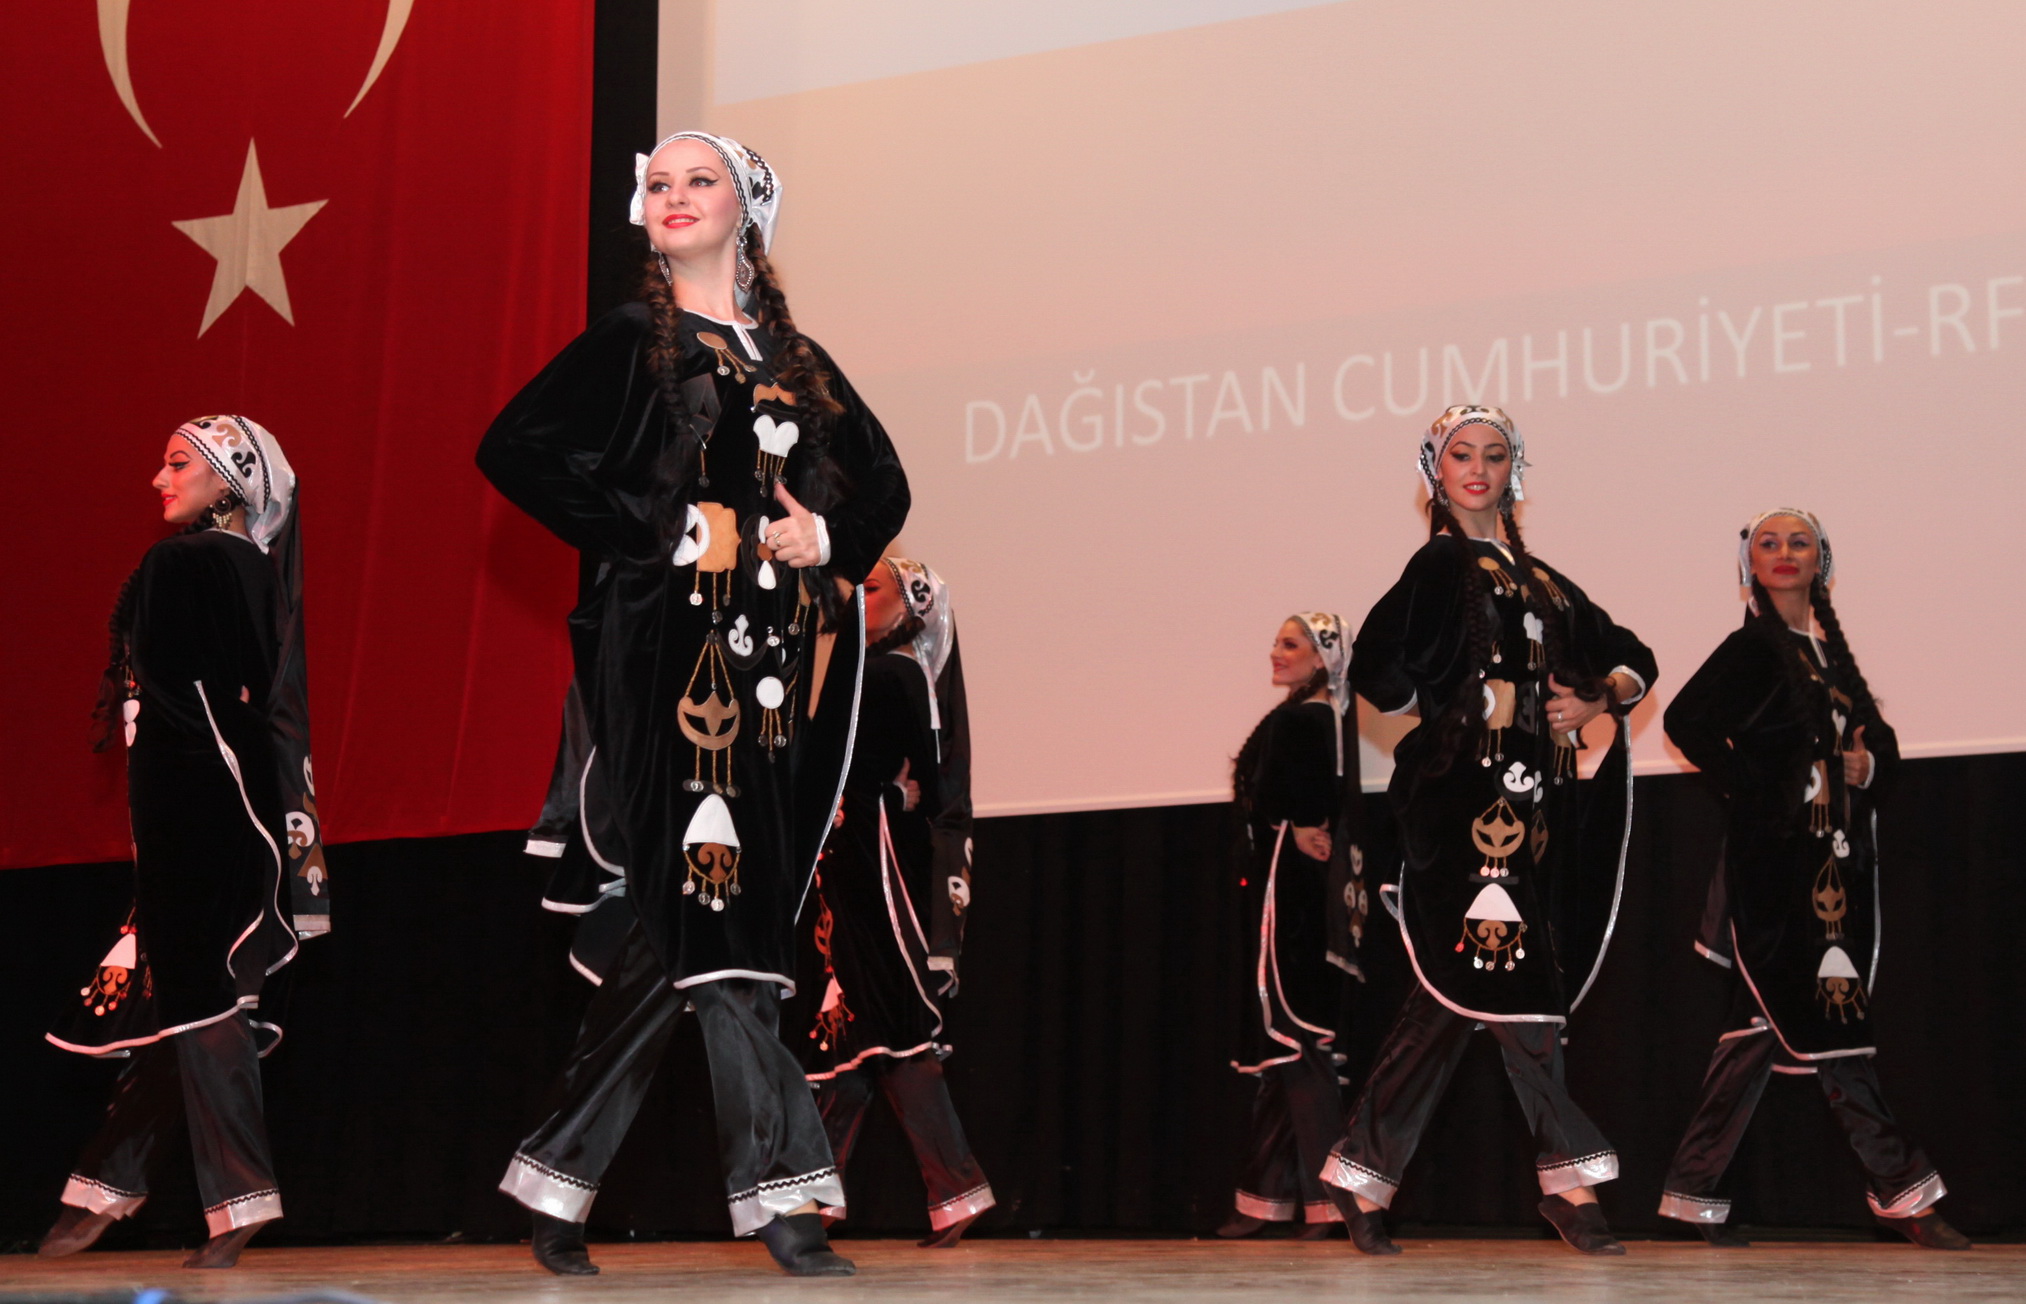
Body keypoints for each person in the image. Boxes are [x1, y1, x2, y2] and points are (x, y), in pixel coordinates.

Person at [477, 131, 908, 1278]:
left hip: (774, 678)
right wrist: (653, 525)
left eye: (697, 180)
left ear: (745, 209)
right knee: (727, 930)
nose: (672, 196)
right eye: (658, 183)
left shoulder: (799, 360)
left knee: (681, 933)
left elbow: (885, 481)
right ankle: (785, 1196)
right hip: (669, 664)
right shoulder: (635, 340)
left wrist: (826, 537)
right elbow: (514, 448)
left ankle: (557, 1176)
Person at [1326, 406, 1655, 1256]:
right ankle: (1572, 1189)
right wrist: (1453, 710)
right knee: (1523, 998)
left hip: (1527, 822)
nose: (1478, 468)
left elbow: (1634, 657)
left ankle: (1360, 1175)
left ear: (1516, 470)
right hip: (1456, 814)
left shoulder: (1544, 582)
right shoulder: (1439, 563)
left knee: (1454, 1001)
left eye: (1495, 455)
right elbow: (1378, 671)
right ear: (1434, 470)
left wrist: (1597, 697)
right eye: (1462, 455)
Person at [41, 416, 327, 1269]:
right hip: (241, 804)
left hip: (196, 808)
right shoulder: (253, 567)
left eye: (176, 465)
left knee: (199, 995)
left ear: (229, 481)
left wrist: (169, 834)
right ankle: (102, 1188)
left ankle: (240, 1198)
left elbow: (178, 708)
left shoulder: (181, 563)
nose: (158, 480)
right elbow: (256, 704)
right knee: (190, 1000)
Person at [1655, 509, 1968, 1250]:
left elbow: (1881, 752)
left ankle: (1692, 1192)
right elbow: (1686, 720)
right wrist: (1759, 789)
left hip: (1832, 870)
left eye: (1799, 542)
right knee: (1834, 1029)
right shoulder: (1751, 648)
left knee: (1757, 1030)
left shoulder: (1829, 658)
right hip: (1774, 871)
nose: (1784, 553)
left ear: (1821, 560)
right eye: (1769, 543)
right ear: (1750, 564)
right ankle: (1902, 1190)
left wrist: (1865, 766)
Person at [802, 558, 994, 1247]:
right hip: (854, 879)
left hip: (875, 881)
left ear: (910, 609)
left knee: (892, 1031)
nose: (859, 594)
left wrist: (879, 796)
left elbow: (878, 780)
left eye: (875, 587)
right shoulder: (885, 672)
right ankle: (815, 1200)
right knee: (852, 1043)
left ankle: (955, 1186)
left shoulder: (889, 674)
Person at [1218, 613, 1367, 1240]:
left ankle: (1334, 1201)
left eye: (1291, 644)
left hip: (1290, 895)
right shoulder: (1319, 718)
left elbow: (1287, 801)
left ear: (1321, 658)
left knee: (1298, 1041)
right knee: (1286, 1047)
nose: (1276, 653)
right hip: (1293, 887)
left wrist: (1298, 826)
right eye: (1277, 642)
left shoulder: (1304, 720)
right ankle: (1265, 1199)